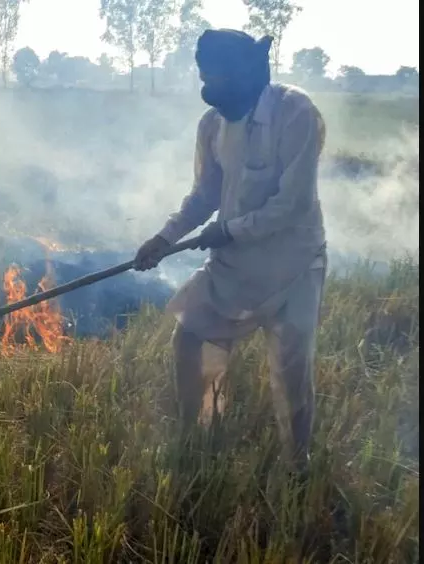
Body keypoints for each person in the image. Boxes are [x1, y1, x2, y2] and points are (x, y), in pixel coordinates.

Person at [133, 29, 328, 470]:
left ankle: (298, 466)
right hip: (234, 266)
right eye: (204, 77)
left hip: (293, 266)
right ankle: (197, 437)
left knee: (290, 372)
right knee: (190, 338)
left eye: (215, 77)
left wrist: (230, 230)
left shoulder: (295, 112)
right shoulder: (212, 125)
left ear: (247, 75)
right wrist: (164, 238)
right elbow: (204, 194)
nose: (208, 88)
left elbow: (292, 203)